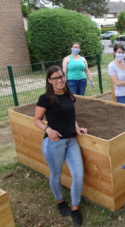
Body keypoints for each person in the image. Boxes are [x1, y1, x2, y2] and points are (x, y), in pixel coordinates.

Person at [34, 66, 87, 226]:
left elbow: (71, 115)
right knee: (56, 174)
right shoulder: (46, 98)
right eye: (55, 78)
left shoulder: (69, 95)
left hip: (71, 141)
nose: (59, 80)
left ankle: (75, 208)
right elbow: (36, 119)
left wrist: (77, 128)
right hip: (54, 143)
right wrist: (47, 129)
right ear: (49, 80)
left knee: (78, 175)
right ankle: (60, 202)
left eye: (61, 76)